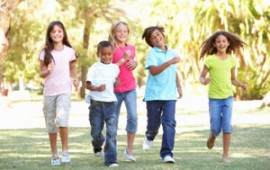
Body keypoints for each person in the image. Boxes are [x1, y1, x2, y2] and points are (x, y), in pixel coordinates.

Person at [199, 31, 247, 163]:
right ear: (214, 44)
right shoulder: (210, 60)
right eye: (219, 41)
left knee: (227, 126)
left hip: (228, 97)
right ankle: (212, 136)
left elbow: (233, 79)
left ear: (228, 43)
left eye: (224, 41)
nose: (221, 43)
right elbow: (201, 76)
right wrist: (204, 81)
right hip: (214, 98)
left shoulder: (231, 60)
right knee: (215, 127)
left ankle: (225, 155)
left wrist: (240, 84)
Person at [39, 21, 79, 166]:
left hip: (64, 90)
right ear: (50, 34)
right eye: (53, 31)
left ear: (63, 33)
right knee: (51, 124)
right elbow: (41, 73)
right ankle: (54, 154)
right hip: (49, 93)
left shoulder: (69, 51)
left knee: (61, 120)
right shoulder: (45, 52)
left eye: (59, 31)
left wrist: (76, 79)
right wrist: (48, 70)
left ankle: (65, 151)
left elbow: (73, 69)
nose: (57, 33)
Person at [141, 26, 183, 163]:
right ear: (151, 42)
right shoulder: (152, 54)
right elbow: (154, 71)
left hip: (170, 95)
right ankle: (150, 135)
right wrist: (170, 62)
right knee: (153, 124)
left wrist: (179, 86)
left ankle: (167, 153)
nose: (157, 38)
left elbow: (174, 71)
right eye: (153, 37)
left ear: (162, 35)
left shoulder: (173, 52)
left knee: (169, 123)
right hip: (154, 95)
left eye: (158, 34)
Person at [85, 41, 120, 167]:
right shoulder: (94, 68)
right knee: (96, 132)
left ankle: (111, 159)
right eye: (103, 54)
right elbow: (87, 85)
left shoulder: (115, 68)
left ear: (112, 53)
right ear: (98, 54)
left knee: (112, 131)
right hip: (96, 105)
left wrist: (116, 83)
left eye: (109, 54)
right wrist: (96, 88)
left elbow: (114, 82)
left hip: (111, 104)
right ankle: (97, 144)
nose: (106, 57)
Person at [108, 21, 138, 162]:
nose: (122, 34)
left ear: (128, 33)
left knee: (133, 117)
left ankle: (129, 149)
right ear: (114, 33)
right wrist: (124, 59)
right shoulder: (111, 48)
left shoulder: (131, 48)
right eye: (119, 31)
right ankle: (111, 151)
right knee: (113, 120)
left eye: (125, 31)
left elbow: (132, 62)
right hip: (114, 90)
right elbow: (108, 67)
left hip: (130, 88)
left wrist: (135, 62)